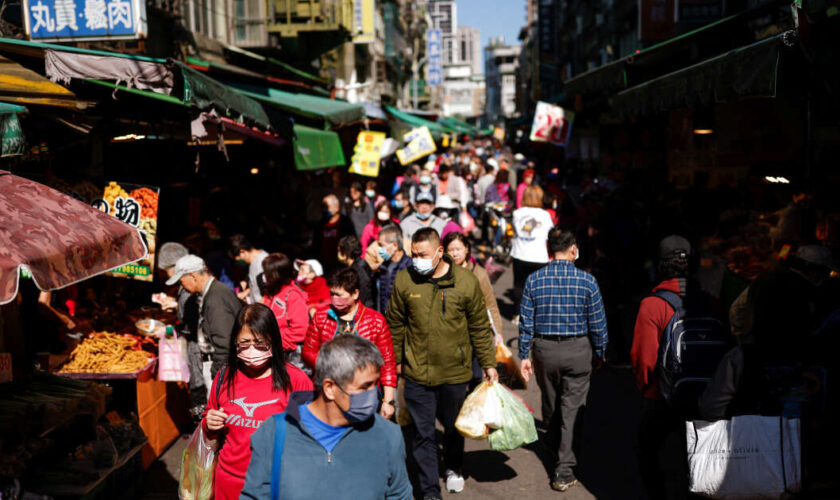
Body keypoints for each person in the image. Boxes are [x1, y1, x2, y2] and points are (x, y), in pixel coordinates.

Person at [386, 228, 498, 499]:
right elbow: (394, 325)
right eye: (413, 254)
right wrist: (397, 362)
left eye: (422, 255)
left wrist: (488, 364)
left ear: (440, 252)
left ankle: (454, 467)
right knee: (423, 434)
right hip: (416, 375)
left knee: (452, 428)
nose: (416, 260)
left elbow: (480, 327)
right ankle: (430, 491)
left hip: (455, 374)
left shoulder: (466, 282)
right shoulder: (405, 281)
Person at [240, 335, 412, 500]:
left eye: (375, 384)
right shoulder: (274, 433)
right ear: (329, 388)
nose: (373, 394)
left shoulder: (388, 436)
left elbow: (400, 495)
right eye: (364, 387)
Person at [518, 228, 608, 492]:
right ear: (573, 249)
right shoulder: (587, 281)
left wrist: (524, 354)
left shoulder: (534, 280)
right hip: (578, 350)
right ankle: (564, 469)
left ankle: (552, 444)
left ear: (549, 249)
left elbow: (526, 322)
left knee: (551, 403)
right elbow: (598, 323)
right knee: (572, 409)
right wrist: (601, 352)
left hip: (544, 350)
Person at [203, 304, 313, 500]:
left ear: (273, 342)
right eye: (244, 343)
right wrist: (209, 423)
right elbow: (208, 423)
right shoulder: (224, 377)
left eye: (260, 343)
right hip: (228, 484)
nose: (252, 350)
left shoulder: (297, 381)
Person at [630, 235, 692, 500]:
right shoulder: (708, 300)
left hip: (663, 395)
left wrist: (647, 388)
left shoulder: (652, 304)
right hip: (703, 390)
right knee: (693, 449)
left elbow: (643, 358)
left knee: (646, 448)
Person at [302, 268, 397, 419]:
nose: (334, 299)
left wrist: (388, 400)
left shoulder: (375, 321)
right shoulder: (321, 318)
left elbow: (387, 362)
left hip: (365, 394)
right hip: (329, 393)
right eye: (332, 294)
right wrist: (332, 366)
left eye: (339, 295)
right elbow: (308, 352)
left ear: (355, 294)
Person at [168, 254, 243, 389]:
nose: (182, 287)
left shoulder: (215, 299)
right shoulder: (212, 292)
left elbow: (224, 344)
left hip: (224, 369)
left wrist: (217, 377)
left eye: (181, 281)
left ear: (193, 276)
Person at [158, 242, 205, 413]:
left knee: (199, 392)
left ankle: (202, 431)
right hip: (196, 349)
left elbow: (192, 324)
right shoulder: (185, 288)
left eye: (167, 269)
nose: (166, 274)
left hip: (198, 349)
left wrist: (167, 331)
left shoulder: (189, 288)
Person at [442, 232, 504, 344]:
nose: (455, 254)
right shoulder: (442, 272)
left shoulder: (479, 274)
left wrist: (497, 332)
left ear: (466, 249)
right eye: (451, 250)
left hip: (473, 335)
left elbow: (490, 305)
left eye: (458, 249)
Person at [511, 185, 554, 323]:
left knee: (519, 285)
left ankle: (518, 314)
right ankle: (537, 315)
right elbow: (550, 234)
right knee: (539, 287)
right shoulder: (545, 215)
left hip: (520, 253)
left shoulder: (517, 213)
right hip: (539, 255)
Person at [261, 253, 309, 354]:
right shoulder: (270, 292)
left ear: (275, 275)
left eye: (267, 273)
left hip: (285, 353)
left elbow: (299, 331)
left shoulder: (293, 296)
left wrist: (273, 340)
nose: (264, 276)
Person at [375, 224, 412, 313]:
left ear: (395, 245)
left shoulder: (409, 266)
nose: (379, 249)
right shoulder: (383, 266)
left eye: (381, 245)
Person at [315, 194, 355, 272]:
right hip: (325, 266)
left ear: (337, 207)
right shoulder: (321, 224)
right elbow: (316, 245)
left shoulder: (346, 223)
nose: (324, 209)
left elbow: (351, 241)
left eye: (327, 207)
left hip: (341, 265)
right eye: (323, 207)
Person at [337, 236, 375, 309]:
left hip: (364, 308)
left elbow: (364, 290)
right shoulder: (355, 265)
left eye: (339, 250)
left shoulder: (359, 268)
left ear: (345, 252)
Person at [229, 234, 269, 304]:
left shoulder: (263, 263)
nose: (239, 261)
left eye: (238, 259)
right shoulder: (253, 261)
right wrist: (246, 292)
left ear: (243, 252)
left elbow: (267, 295)